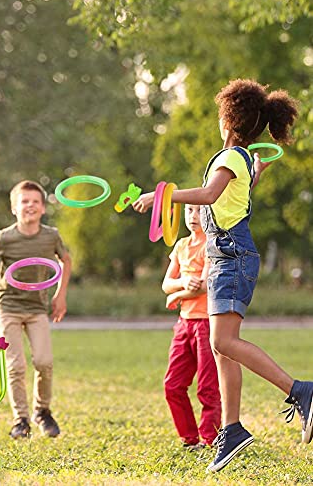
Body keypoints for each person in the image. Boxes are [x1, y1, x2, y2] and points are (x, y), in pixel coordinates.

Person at [132, 79, 311, 472]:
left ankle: (301, 391)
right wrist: (257, 171)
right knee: (221, 347)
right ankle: (231, 430)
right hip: (228, 253)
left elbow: (210, 195)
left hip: (231, 254)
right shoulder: (244, 159)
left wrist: (161, 195)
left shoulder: (229, 158)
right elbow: (236, 195)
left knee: (223, 340)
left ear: (228, 122)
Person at [0, 180, 72, 439]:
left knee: (44, 362)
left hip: (37, 307)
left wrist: (60, 295)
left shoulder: (51, 236)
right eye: (24, 201)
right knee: (15, 365)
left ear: (43, 208)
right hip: (9, 306)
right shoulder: (6, 237)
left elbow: (66, 260)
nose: (30, 206)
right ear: (14, 208)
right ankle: (20, 420)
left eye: (35, 201)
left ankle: (42, 411)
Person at [162, 204, 221, 450]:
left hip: (207, 324)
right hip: (184, 324)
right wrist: (181, 284)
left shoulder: (211, 244)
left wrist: (175, 297)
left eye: (199, 211)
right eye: (189, 211)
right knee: (173, 385)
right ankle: (189, 439)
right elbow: (166, 283)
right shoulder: (181, 246)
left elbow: (204, 286)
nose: (193, 216)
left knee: (208, 387)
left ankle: (210, 440)